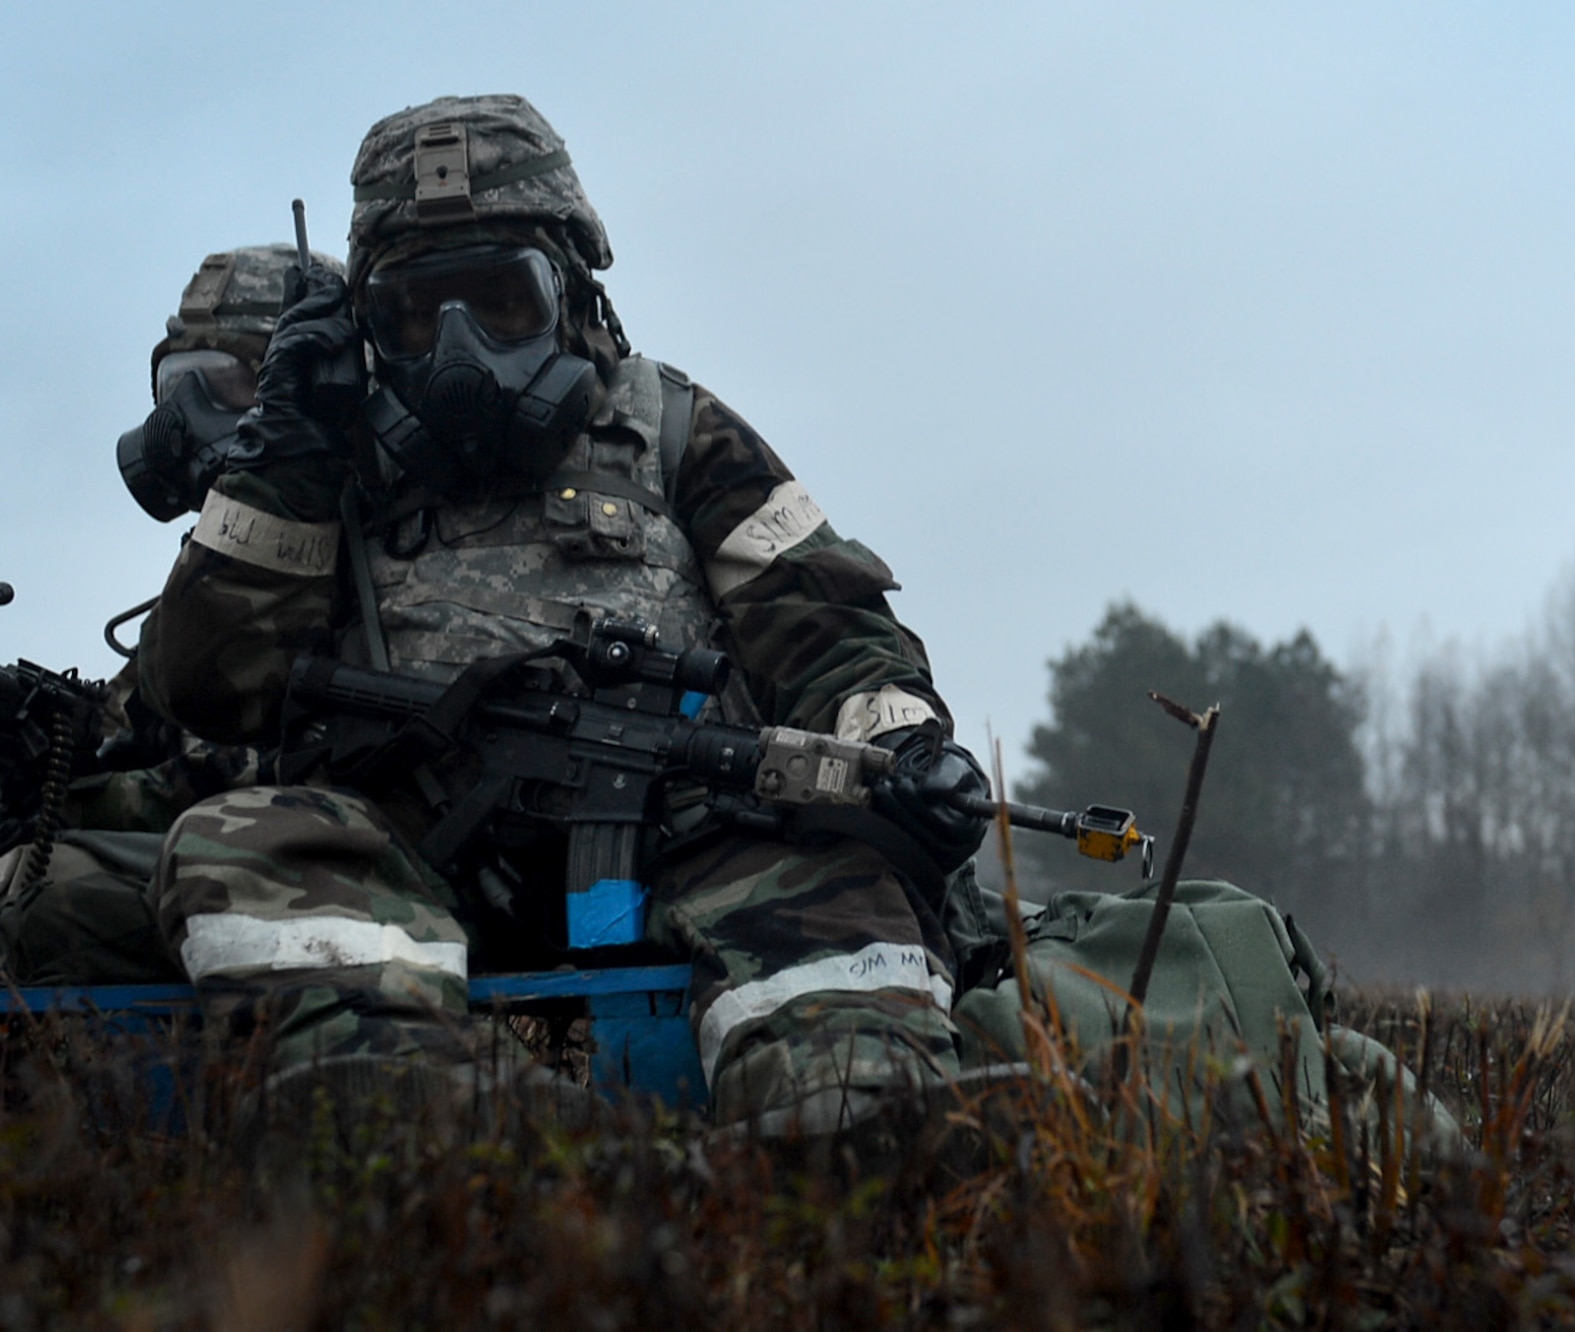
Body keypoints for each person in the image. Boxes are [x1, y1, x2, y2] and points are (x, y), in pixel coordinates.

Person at [136, 95, 988, 1134]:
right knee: (242, 839)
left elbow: (830, 631)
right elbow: (206, 690)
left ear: (571, 293)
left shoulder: (672, 424)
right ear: (366, 317)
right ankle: (498, 1167)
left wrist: (903, 748)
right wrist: (282, 463)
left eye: (499, 303)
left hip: (688, 834)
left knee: (834, 900)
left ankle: (847, 1165)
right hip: (413, 852)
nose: (456, 351)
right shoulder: (318, 455)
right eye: (413, 313)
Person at [0, 244, 324, 986]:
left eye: (223, 384)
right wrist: (38, 733)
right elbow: (134, 726)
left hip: (313, 867)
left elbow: (235, 775)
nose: (189, 420)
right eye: (178, 387)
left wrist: (78, 797)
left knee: (33, 897)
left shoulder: (351, 545)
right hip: (229, 871)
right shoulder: (216, 565)